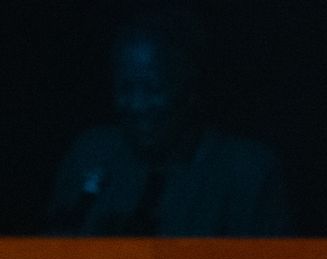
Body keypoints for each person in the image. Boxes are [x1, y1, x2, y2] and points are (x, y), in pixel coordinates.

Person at [45, 11, 290, 236]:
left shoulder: (246, 173)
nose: (137, 105)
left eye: (153, 89)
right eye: (125, 89)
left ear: (190, 90)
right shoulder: (92, 155)